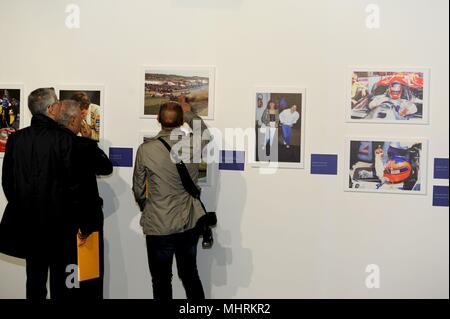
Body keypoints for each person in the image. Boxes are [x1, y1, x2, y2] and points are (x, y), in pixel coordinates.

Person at [0, 88, 83, 300]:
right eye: (57, 102)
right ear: (51, 108)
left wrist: (23, 206)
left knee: (34, 282)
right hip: (60, 227)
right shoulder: (65, 139)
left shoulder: (16, 139)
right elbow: (74, 186)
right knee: (62, 285)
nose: (60, 105)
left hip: (29, 225)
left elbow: (8, 183)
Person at [133, 102, 206, 300]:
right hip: (188, 222)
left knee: (161, 280)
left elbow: (138, 190)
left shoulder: (145, 150)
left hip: (158, 224)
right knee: (190, 275)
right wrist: (190, 113)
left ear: (158, 119)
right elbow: (204, 132)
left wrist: (147, 207)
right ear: (182, 122)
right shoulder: (193, 144)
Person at [57, 99, 113, 299]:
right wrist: (91, 140)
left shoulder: (49, 142)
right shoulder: (82, 145)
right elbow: (106, 167)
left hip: (56, 220)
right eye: (82, 118)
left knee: (61, 276)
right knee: (88, 278)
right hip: (85, 221)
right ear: (74, 121)